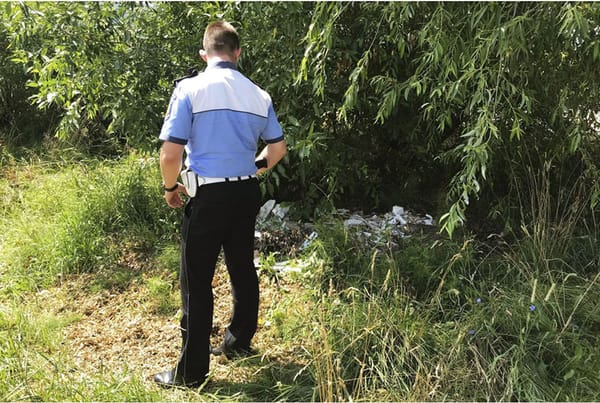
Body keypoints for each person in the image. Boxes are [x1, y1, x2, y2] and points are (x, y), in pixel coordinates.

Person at [154, 20, 287, 388]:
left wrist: (170, 187)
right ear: (237, 53)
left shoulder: (190, 89)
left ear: (204, 54)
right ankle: (238, 342)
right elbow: (277, 148)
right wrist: (254, 168)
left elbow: (170, 154)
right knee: (242, 267)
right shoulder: (258, 95)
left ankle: (191, 373)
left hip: (208, 196)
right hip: (246, 193)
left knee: (196, 280)